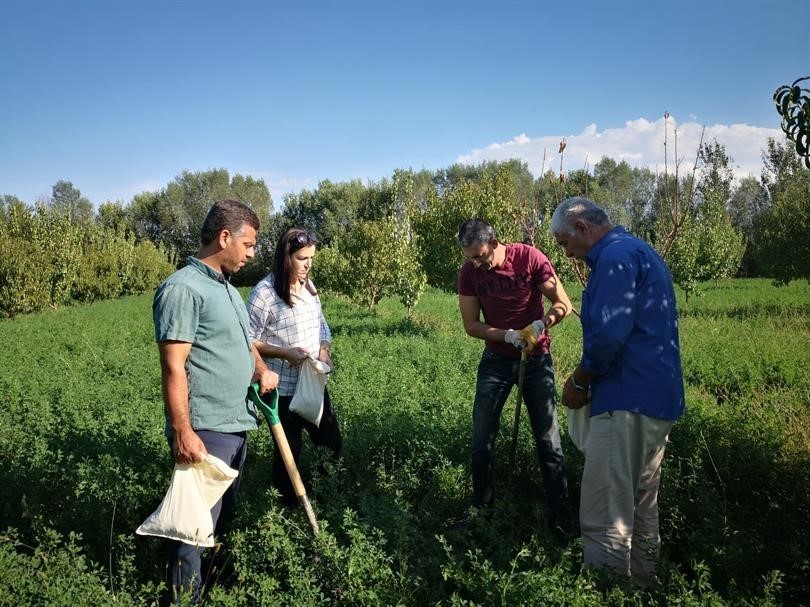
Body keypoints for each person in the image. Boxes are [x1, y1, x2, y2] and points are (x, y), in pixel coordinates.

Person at [550, 197, 685, 587]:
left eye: (564, 242)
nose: (566, 251)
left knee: (606, 509)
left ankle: (609, 591)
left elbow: (609, 335)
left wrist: (579, 380)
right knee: (641, 503)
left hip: (625, 398)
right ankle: (643, 584)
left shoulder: (613, 260)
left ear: (582, 228)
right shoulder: (643, 252)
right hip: (657, 399)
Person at [152, 199, 279, 602]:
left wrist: (259, 368)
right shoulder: (182, 289)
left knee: (218, 523)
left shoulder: (225, 288)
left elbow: (243, 343)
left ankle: (210, 591)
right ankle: (185, 599)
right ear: (224, 237)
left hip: (236, 423)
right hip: (206, 431)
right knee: (190, 531)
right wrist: (183, 431)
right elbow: (173, 367)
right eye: (249, 244)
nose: (252, 253)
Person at [456, 218, 572, 532]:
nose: (477, 263)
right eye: (471, 258)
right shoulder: (469, 273)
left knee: (548, 439)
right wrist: (507, 335)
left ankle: (558, 516)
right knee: (482, 438)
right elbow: (471, 325)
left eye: (480, 255)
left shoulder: (529, 258)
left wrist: (541, 324)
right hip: (496, 360)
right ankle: (482, 511)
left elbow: (563, 303)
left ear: (494, 242)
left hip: (535, 361)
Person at [247, 228, 341, 506]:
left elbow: (322, 325)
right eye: (302, 258)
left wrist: (324, 351)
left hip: (312, 384)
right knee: (289, 453)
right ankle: (288, 509)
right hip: (282, 390)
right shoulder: (264, 293)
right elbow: (247, 340)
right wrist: (283, 353)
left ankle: (327, 499)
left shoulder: (310, 287)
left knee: (332, 444)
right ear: (286, 257)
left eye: (311, 257)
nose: (308, 264)